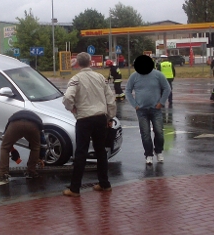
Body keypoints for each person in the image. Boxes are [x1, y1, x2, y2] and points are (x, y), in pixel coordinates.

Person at [62, 52, 117, 197]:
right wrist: (109, 116)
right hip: (100, 118)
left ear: (78, 64)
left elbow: (68, 97)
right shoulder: (100, 78)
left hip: (84, 119)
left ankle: (75, 188)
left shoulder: (76, 79)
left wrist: (71, 107)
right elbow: (110, 99)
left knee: (81, 152)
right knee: (101, 152)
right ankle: (105, 184)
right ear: (91, 62)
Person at [125, 54, 171, 165]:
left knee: (159, 132)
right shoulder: (134, 76)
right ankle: (148, 154)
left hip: (156, 109)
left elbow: (167, 88)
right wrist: (135, 105)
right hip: (141, 110)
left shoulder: (158, 75)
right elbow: (127, 91)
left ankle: (158, 151)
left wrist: (161, 102)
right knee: (145, 134)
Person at [0, 110, 43, 182]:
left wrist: (12, 150)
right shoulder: (38, 122)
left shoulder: (12, 119)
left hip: (15, 125)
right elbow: (42, 142)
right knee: (35, 147)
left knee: (4, 148)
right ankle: (31, 172)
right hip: (32, 125)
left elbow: (4, 137)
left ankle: (3, 174)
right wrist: (41, 158)